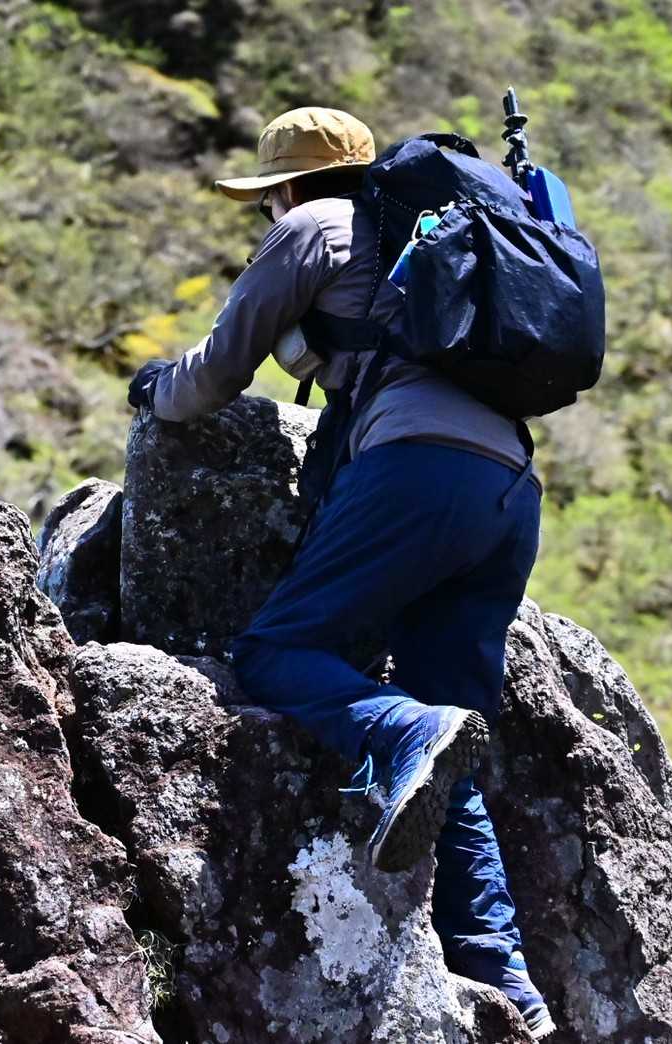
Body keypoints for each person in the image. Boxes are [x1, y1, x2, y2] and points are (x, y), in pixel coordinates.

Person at [126, 106, 556, 1039]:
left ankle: (399, 731)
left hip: (413, 468)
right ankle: (506, 980)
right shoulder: (437, 233)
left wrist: (154, 386)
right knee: (454, 733)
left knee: (277, 651)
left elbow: (212, 379)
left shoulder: (314, 225)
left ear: (285, 184)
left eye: (265, 195)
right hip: (510, 490)